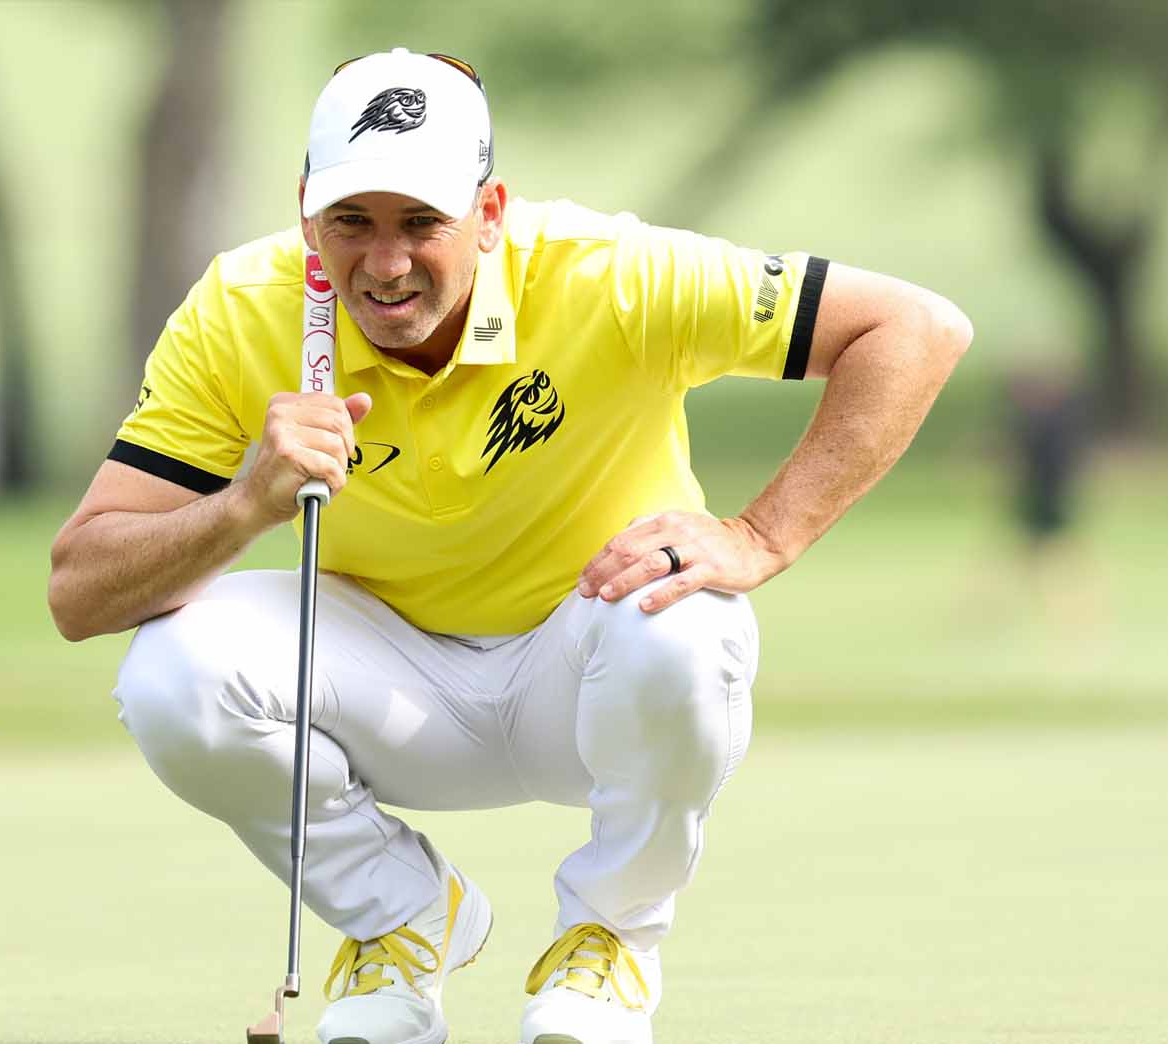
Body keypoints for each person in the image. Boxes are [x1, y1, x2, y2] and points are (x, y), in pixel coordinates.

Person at [49, 48, 971, 1044]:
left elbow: (914, 328)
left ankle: (610, 940)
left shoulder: (609, 275)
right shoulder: (240, 308)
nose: (385, 263)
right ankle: (400, 919)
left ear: (489, 213)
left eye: (422, 222)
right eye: (351, 221)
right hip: (387, 694)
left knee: (687, 614)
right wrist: (241, 507)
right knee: (170, 673)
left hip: (591, 676)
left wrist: (760, 535)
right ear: (306, 212)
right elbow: (79, 592)